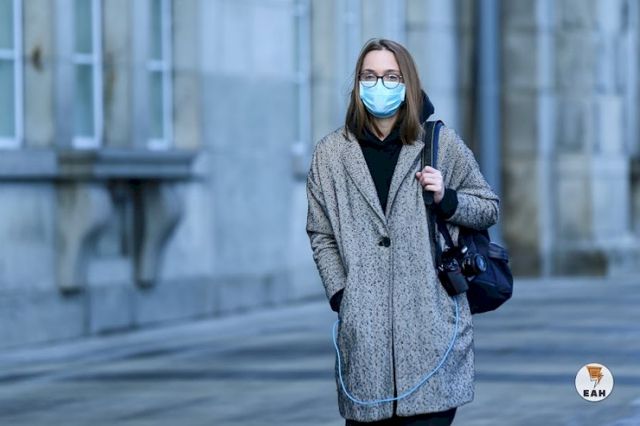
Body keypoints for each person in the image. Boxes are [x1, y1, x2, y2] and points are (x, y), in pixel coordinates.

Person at [305, 38, 499, 425]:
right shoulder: (331, 154)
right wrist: (342, 294)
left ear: (407, 83)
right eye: (370, 76)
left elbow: (488, 207)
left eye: (391, 77)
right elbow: (320, 232)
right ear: (357, 84)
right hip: (366, 342)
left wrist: (447, 198)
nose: (380, 85)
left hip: (432, 333)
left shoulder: (440, 144)